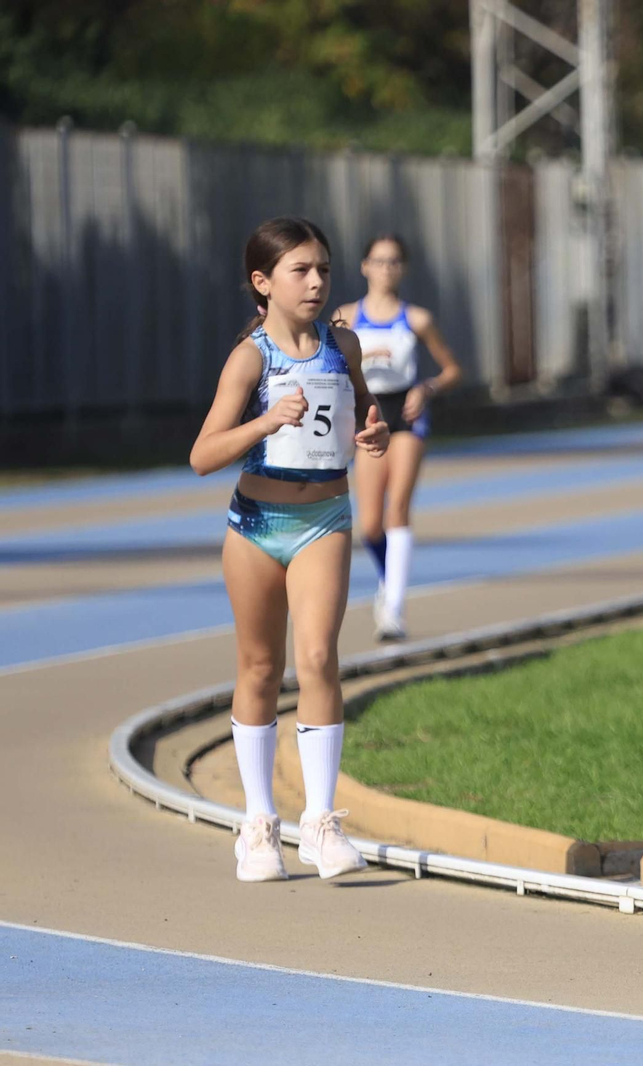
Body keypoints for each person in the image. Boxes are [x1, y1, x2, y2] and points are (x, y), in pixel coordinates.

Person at [190, 216, 390, 883]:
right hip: (255, 525)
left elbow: (363, 411)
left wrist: (374, 432)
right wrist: (267, 420)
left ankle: (323, 825)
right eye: (300, 270)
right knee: (259, 667)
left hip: (324, 518)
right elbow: (202, 455)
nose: (315, 281)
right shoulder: (251, 358)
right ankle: (257, 827)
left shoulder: (344, 344)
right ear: (262, 282)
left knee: (318, 658)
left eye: (323, 270)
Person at [333, 235, 461, 642]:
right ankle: (390, 583)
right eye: (378, 260)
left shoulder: (416, 319)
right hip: (370, 415)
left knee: (398, 510)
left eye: (393, 262)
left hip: (406, 415)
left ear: (402, 269)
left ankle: (394, 610)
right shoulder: (347, 317)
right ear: (364, 266)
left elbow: (452, 370)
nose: (386, 269)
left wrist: (427, 389)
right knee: (370, 525)